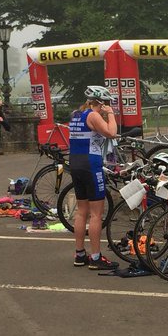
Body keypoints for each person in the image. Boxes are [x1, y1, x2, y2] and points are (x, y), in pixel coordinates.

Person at [69, 86, 119, 269]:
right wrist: (111, 114)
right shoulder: (93, 115)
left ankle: (80, 254)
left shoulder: (76, 114)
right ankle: (96, 258)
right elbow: (111, 133)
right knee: (96, 214)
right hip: (91, 164)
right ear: (101, 102)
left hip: (75, 163)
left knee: (81, 211)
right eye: (106, 103)